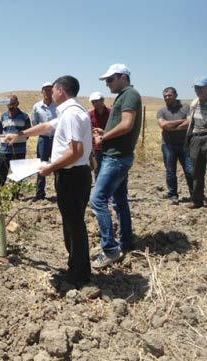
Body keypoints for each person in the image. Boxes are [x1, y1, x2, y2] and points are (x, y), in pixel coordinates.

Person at [4, 76, 93, 287]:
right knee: (73, 224)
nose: (51, 94)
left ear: (60, 90)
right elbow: (45, 126)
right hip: (76, 175)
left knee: (75, 226)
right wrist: (20, 135)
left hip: (71, 177)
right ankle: (76, 267)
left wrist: (50, 168)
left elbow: (76, 151)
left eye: (53, 91)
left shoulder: (71, 115)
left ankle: (79, 275)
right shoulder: (70, 112)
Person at [90, 63, 142, 269]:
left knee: (97, 199)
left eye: (110, 80)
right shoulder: (124, 95)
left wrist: (104, 137)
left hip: (116, 158)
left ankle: (111, 250)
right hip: (118, 156)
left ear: (123, 77)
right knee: (119, 201)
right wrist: (105, 133)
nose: (108, 84)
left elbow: (127, 124)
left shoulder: (129, 94)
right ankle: (126, 241)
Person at [184, 77, 207, 209]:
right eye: (196, 88)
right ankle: (197, 200)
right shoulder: (194, 103)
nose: (198, 90)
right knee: (196, 172)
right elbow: (191, 121)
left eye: (201, 87)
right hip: (196, 138)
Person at [156, 87, 193, 204]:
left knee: (190, 170)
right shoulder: (161, 111)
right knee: (171, 172)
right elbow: (163, 125)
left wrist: (171, 126)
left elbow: (189, 123)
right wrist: (180, 122)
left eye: (169, 95)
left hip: (185, 144)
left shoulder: (186, 107)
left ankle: (195, 195)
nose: (167, 98)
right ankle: (173, 195)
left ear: (176, 95)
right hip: (168, 145)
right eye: (165, 96)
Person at [0, 95, 31, 189]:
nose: (11, 106)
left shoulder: (24, 116)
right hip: (5, 150)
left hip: (20, 150)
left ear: (17, 104)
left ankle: (15, 195)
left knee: (18, 172)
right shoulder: (3, 116)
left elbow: (28, 132)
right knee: (0, 172)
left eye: (13, 104)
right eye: (9, 104)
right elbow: (0, 131)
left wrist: (18, 139)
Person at [31, 82, 57, 201]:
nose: (47, 92)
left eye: (50, 89)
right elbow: (34, 123)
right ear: (42, 91)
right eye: (45, 89)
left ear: (53, 91)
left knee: (58, 165)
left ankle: (61, 192)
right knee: (41, 165)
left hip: (56, 139)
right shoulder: (37, 106)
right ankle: (40, 193)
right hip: (43, 140)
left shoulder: (57, 105)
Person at [89, 91, 111, 178]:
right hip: (96, 147)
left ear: (102, 100)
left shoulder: (111, 113)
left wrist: (103, 132)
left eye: (96, 101)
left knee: (109, 169)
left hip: (110, 146)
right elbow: (89, 129)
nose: (95, 103)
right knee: (97, 169)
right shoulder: (90, 115)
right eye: (93, 102)